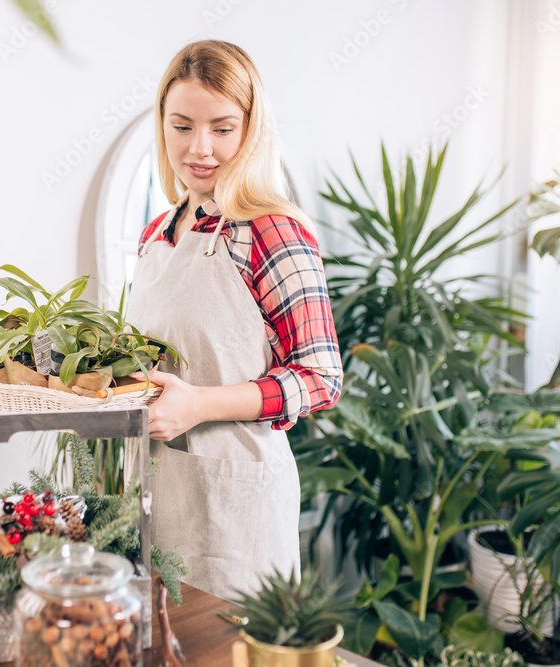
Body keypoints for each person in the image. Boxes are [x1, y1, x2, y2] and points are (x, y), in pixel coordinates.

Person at [125, 40, 343, 600]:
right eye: (182, 126)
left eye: (222, 128)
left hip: (235, 506)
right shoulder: (157, 234)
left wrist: (197, 405)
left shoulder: (272, 232)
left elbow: (321, 377)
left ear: (252, 129)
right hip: (153, 492)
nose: (200, 149)